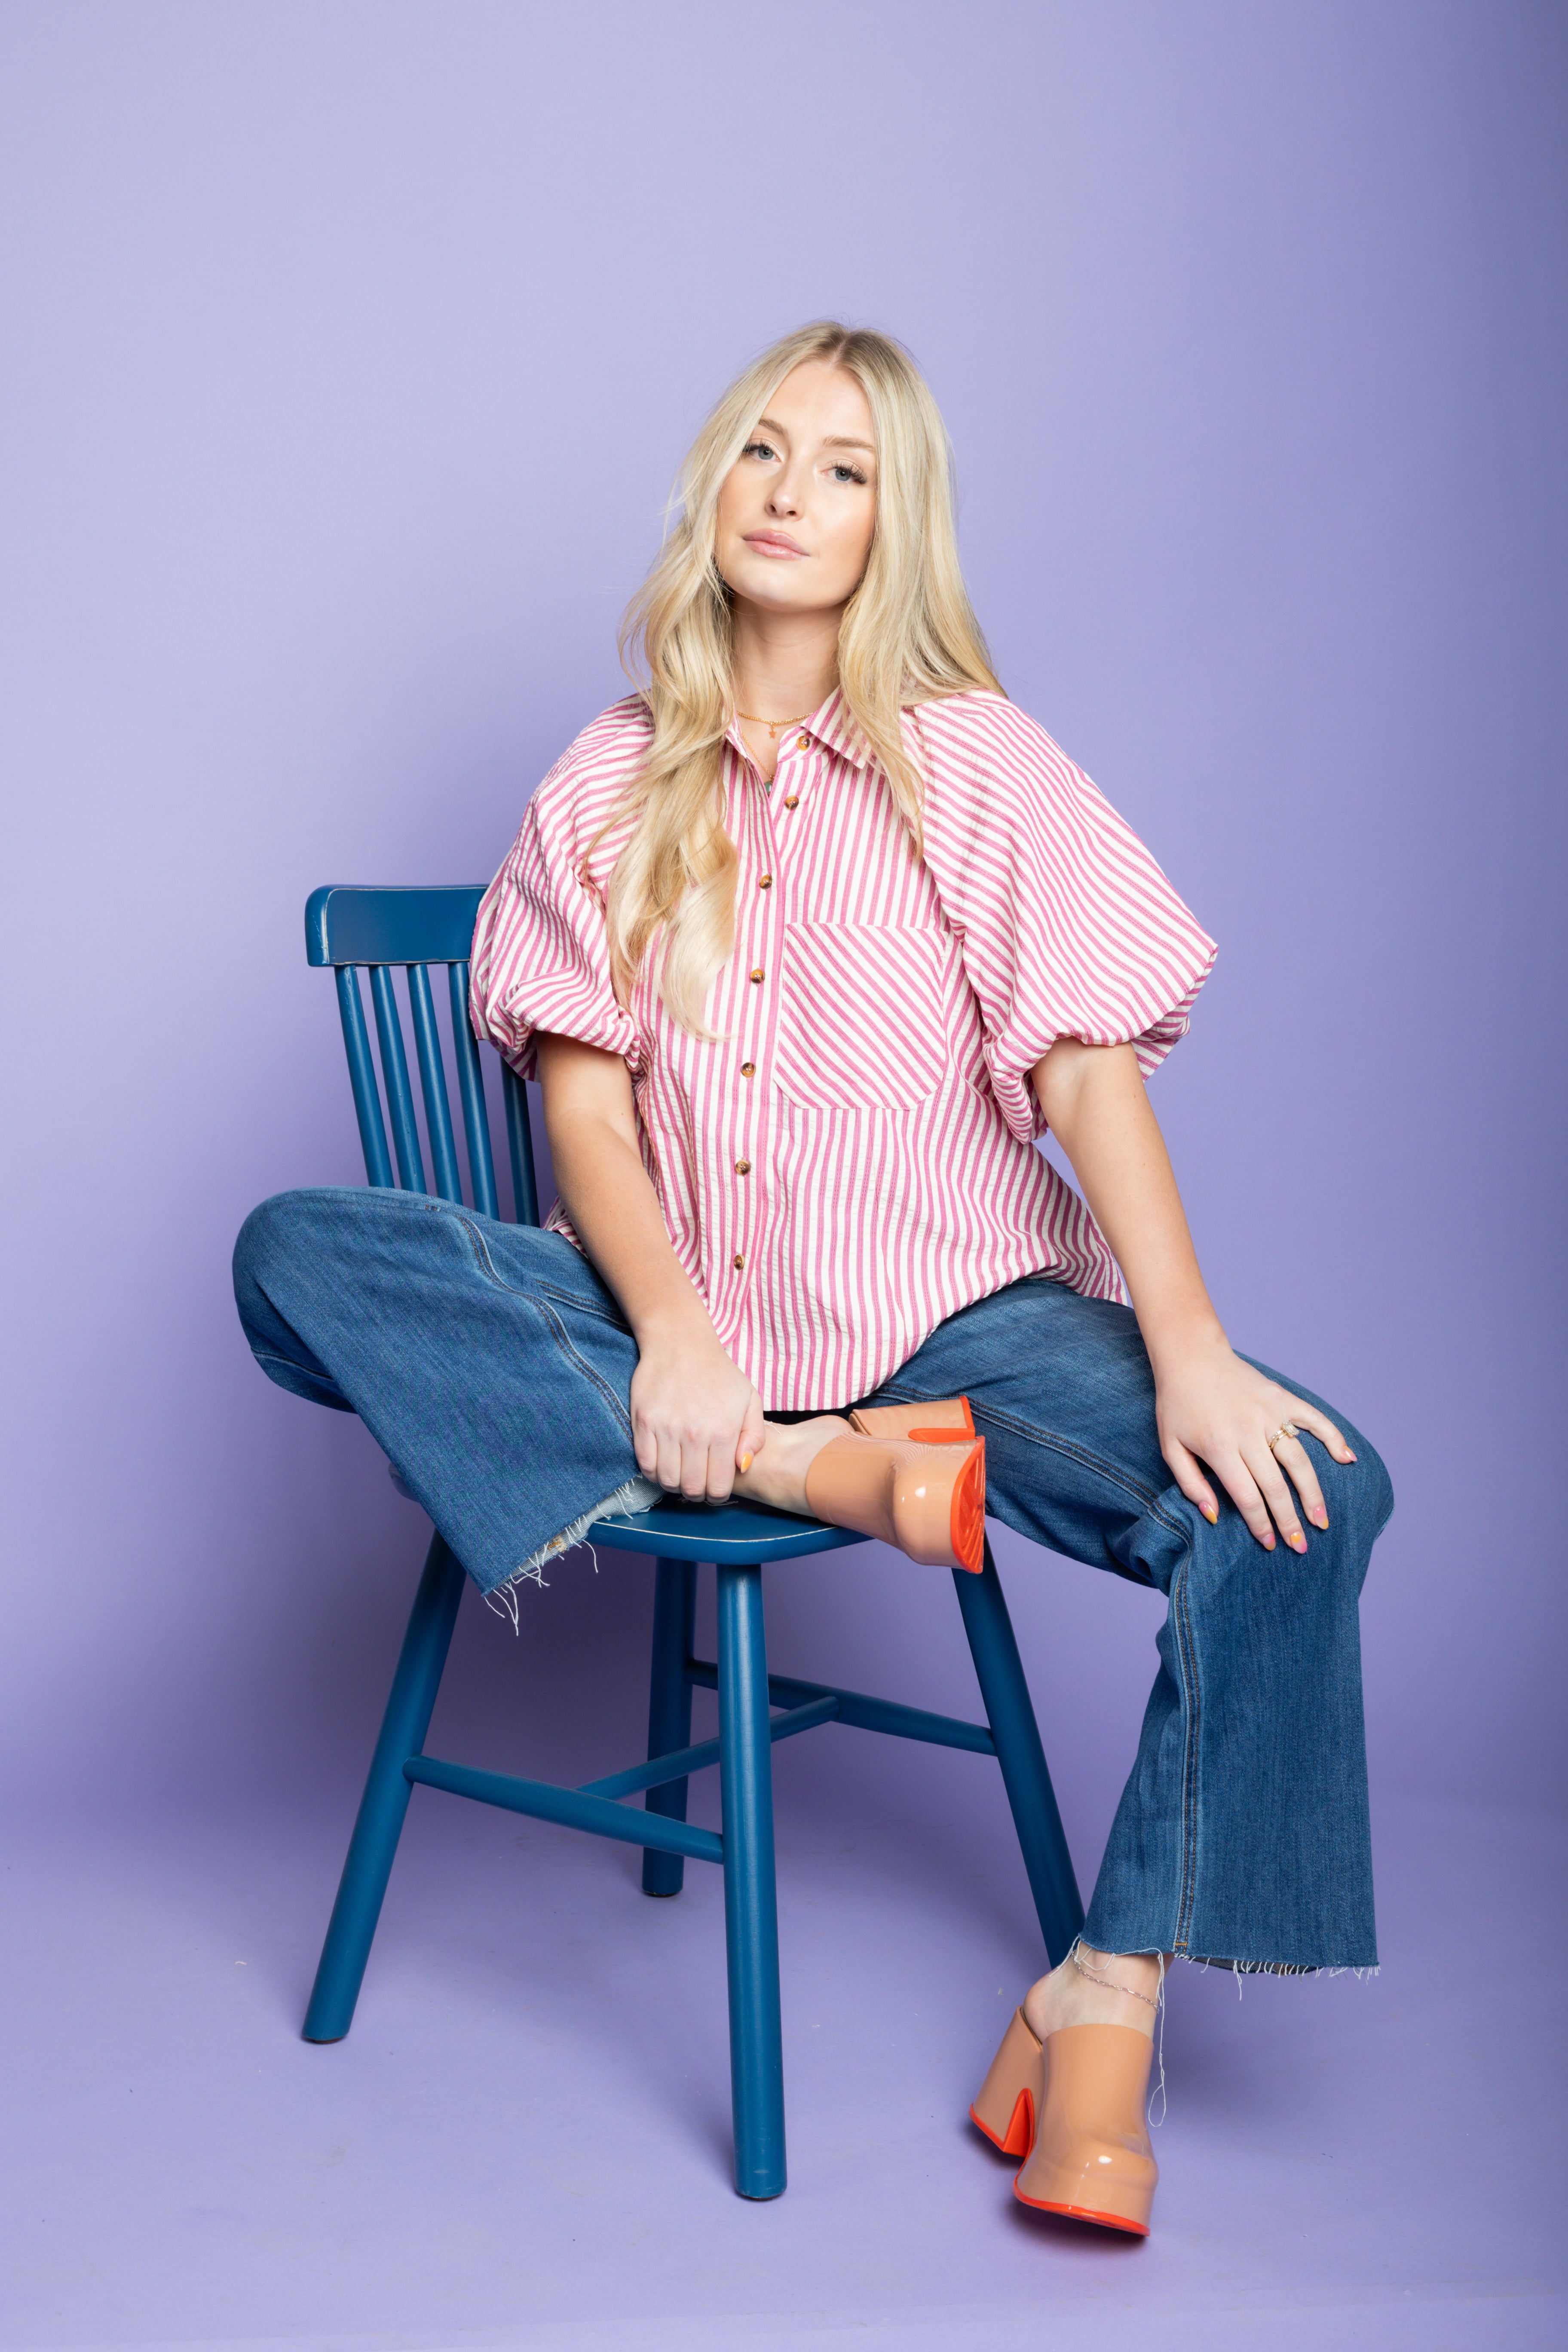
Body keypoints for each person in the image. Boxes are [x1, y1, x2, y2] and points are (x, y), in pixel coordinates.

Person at [234, 321, 1392, 2237]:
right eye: (763, 450)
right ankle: (794, 1463)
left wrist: (1187, 1352)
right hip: (668, 1330)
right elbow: (586, 1125)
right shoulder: (601, 787)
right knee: (290, 1251)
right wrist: (685, 1344)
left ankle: (1104, 1996)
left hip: (953, 1322)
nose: (789, 491)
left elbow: (1087, 1065)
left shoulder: (972, 760)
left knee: (1314, 1494)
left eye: (843, 468)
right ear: (715, 486)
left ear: (892, 522)